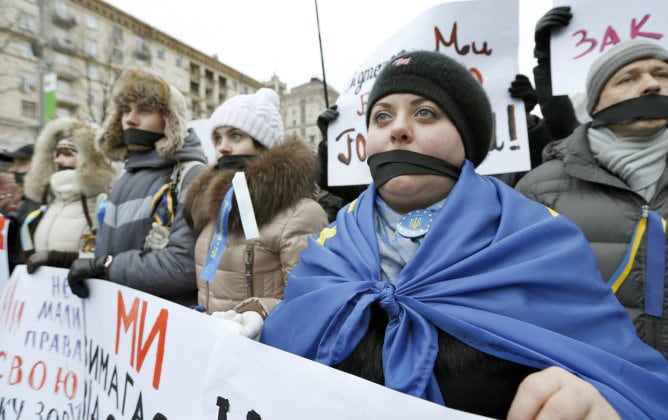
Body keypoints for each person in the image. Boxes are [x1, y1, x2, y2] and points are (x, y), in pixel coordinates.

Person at [259, 50, 668, 419]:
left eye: (425, 114)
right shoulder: (331, 244)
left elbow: (631, 380)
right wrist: (256, 323)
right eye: (382, 116)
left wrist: (598, 404)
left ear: (466, 138)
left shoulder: (541, 238)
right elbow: (277, 369)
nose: (398, 129)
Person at [516, 39, 668, 360]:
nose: (652, 85)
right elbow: (521, 307)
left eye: (662, 74)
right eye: (628, 78)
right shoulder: (540, 190)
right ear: (596, 104)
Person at [182, 88, 328, 321]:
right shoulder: (213, 208)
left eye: (236, 136)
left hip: (265, 350)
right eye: (218, 138)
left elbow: (311, 302)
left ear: (264, 145)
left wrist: (259, 313)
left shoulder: (302, 214)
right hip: (214, 346)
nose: (223, 147)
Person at [67, 68, 207, 306]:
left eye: (144, 110)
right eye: (125, 110)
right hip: (120, 319)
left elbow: (184, 267)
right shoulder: (123, 178)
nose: (130, 119)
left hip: (163, 325)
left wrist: (107, 266)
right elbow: (105, 249)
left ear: (170, 119)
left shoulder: (190, 175)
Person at [19, 117, 116, 274]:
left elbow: (105, 256)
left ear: (87, 160)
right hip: (49, 294)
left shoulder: (102, 203)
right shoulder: (50, 202)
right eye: (56, 154)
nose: (57, 161)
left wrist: (55, 258)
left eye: (67, 154)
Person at [0, 143, 38, 273]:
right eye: (14, 163)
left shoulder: (45, 203)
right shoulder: (27, 199)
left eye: (22, 164)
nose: (13, 169)